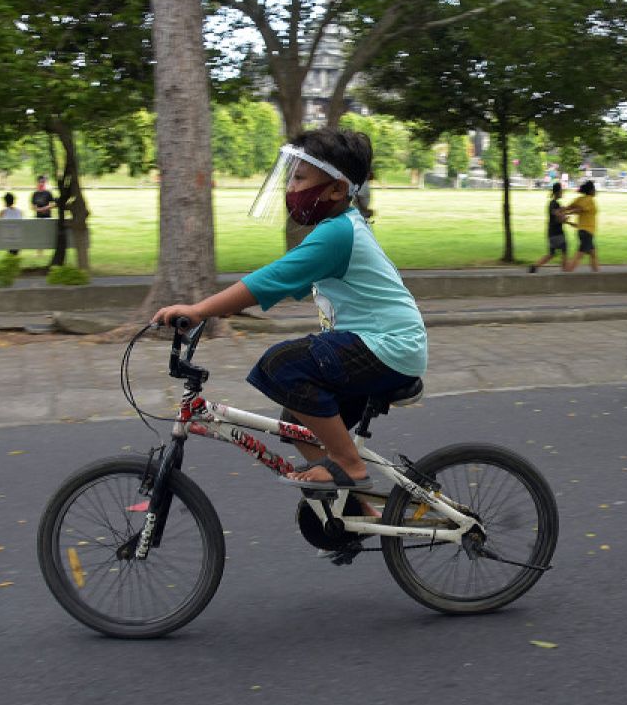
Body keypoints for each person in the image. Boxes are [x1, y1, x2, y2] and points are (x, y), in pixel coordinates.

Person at [152, 127, 427, 495]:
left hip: (388, 347)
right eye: (290, 177)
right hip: (384, 347)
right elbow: (283, 285)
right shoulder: (338, 229)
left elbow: (271, 280)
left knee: (280, 364)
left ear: (336, 189)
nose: (291, 188)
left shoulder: (338, 234)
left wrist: (200, 310)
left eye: (300, 178)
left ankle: (348, 464)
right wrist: (226, 308)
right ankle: (353, 509)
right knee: (298, 420)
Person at [528, 182, 571, 272]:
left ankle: (535, 267)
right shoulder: (555, 204)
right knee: (564, 250)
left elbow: (558, 214)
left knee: (551, 254)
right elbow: (558, 216)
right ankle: (565, 272)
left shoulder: (552, 203)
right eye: (561, 191)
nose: (562, 192)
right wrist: (564, 218)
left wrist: (564, 215)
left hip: (551, 233)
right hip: (558, 233)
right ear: (558, 192)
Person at [562, 180, 599, 272]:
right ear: (591, 191)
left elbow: (569, 207)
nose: (595, 191)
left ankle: (596, 275)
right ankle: (567, 274)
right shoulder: (589, 200)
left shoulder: (580, 199)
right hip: (587, 232)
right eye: (594, 189)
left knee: (593, 254)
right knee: (579, 255)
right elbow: (580, 209)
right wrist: (568, 212)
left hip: (582, 231)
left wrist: (563, 211)